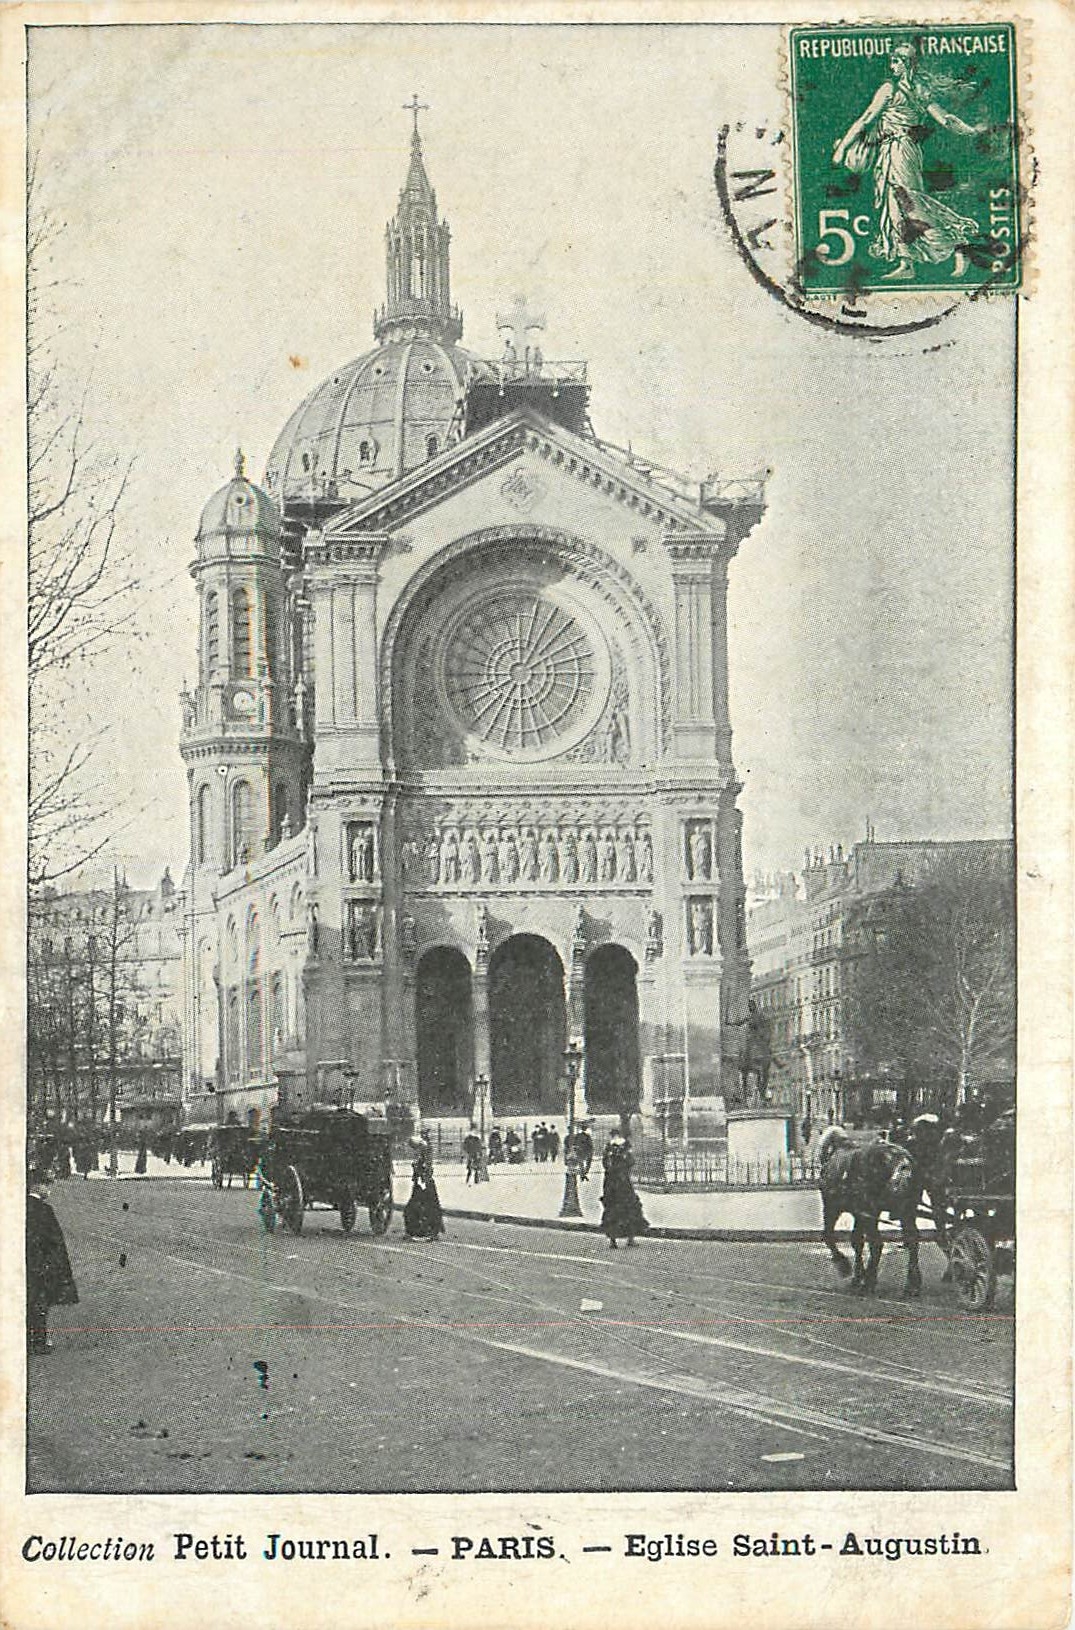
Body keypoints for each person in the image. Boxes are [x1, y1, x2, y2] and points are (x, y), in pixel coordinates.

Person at [832, 42, 987, 282]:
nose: (891, 65)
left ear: (905, 64)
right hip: (903, 150)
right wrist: (970, 131)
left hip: (898, 150)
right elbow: (946, 120)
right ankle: (907, 262)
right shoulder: (920, 90)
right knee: (898, 206)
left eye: (896, 61)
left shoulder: (889, 89)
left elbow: (865, 119)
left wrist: (843, 148)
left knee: (908, 202)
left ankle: (958, 243)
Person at [27, 1169, 78, 1354]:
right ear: (37, 1186)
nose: (49, 1190)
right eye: (47, 1185)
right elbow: (54, 1241)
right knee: (39, 1303)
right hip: (39, 1264)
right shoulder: (44, 1210)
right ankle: (37, 1342)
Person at [599, 1134, 649, 1249]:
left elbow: (606, 1165)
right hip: (622, 1185)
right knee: (629, 1209)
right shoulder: (622, 1154)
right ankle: (629, 1238)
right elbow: (630, 1163)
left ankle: (614, 1240)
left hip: (612, 1185)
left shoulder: (609, 1152)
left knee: (613, 1210)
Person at [403, 1137, 445, 1240]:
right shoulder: (423, 1155)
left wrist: (422, 1179)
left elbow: (426, 1170)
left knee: (423, 1208)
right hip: (422, 1183)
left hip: (423, 1184)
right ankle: (427, 1231)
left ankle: (424, 1231)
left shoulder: (424, 1155)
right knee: (427, 1207)